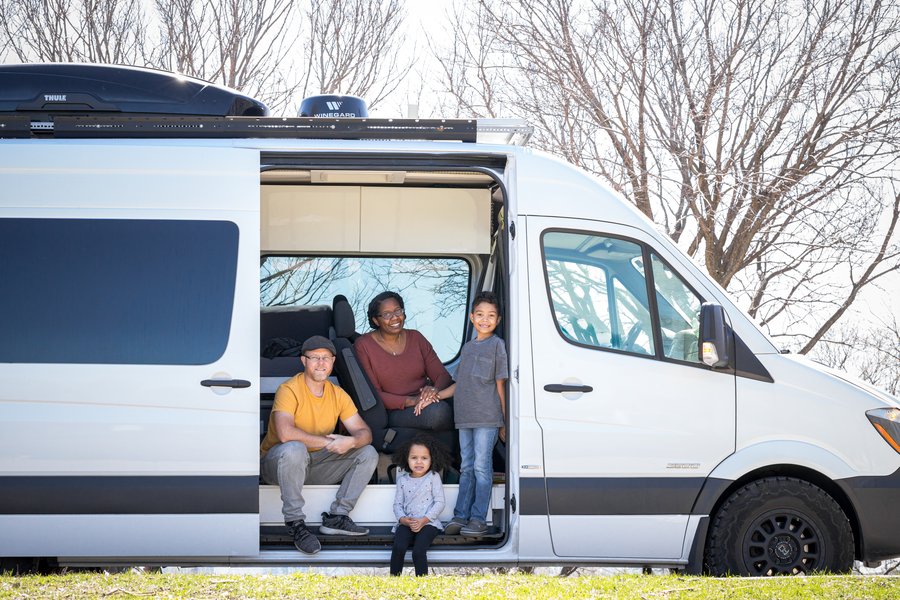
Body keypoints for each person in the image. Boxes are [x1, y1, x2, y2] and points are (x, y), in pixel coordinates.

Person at [259, 335, 378, 555]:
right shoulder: (289, 389)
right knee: (295, 448)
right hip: (277, 465)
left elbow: (365, 433)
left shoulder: (338, 395)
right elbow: (285, 433)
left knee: (367, 453)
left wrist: (351, 441)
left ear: (333, 361)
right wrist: (329, 442)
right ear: (303, 361)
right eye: (314, 358)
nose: (321, 363)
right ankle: (295, 523)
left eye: (326, 358)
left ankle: (337, 517)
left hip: (313, 465)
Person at [438, 291, 508, 537]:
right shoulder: (467, 349)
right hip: (464, 418)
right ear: (471, 317)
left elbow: (501, 384)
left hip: (487, 418)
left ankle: (478, 518)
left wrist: (504, 419)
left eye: (491, 316)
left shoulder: (497, 345)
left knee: (481, 467)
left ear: (498, 320)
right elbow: (458, 385)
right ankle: (460, 515)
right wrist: (434, 397)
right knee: (466, 467)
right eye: (480, 315)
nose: (485, 320)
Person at [354, 291, 454, 433]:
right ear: (376, 320)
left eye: (398, 311)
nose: (395, 317)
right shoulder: (363, 345)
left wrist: (433, 391)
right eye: (387, 314)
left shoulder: (416, 337)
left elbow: (442, 375)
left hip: (427, 400)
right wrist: (413, 401)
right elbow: (374, 395)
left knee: (466, 398)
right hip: (396, 410)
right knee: (439, 412)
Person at [389, 435, 450, 576]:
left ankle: (422, 583)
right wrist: (403, 519)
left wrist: (424, 520)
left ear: (431, 459)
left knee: (418, 551)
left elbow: (440, 502)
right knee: (398, 547)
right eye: (414, 457)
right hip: (407, 522)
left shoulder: (433, 477)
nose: (419, 462)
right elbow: (397, 504)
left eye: (424, 458)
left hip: (429, 523)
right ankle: (393, 580)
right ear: (406, 459)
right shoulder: (403, 480)